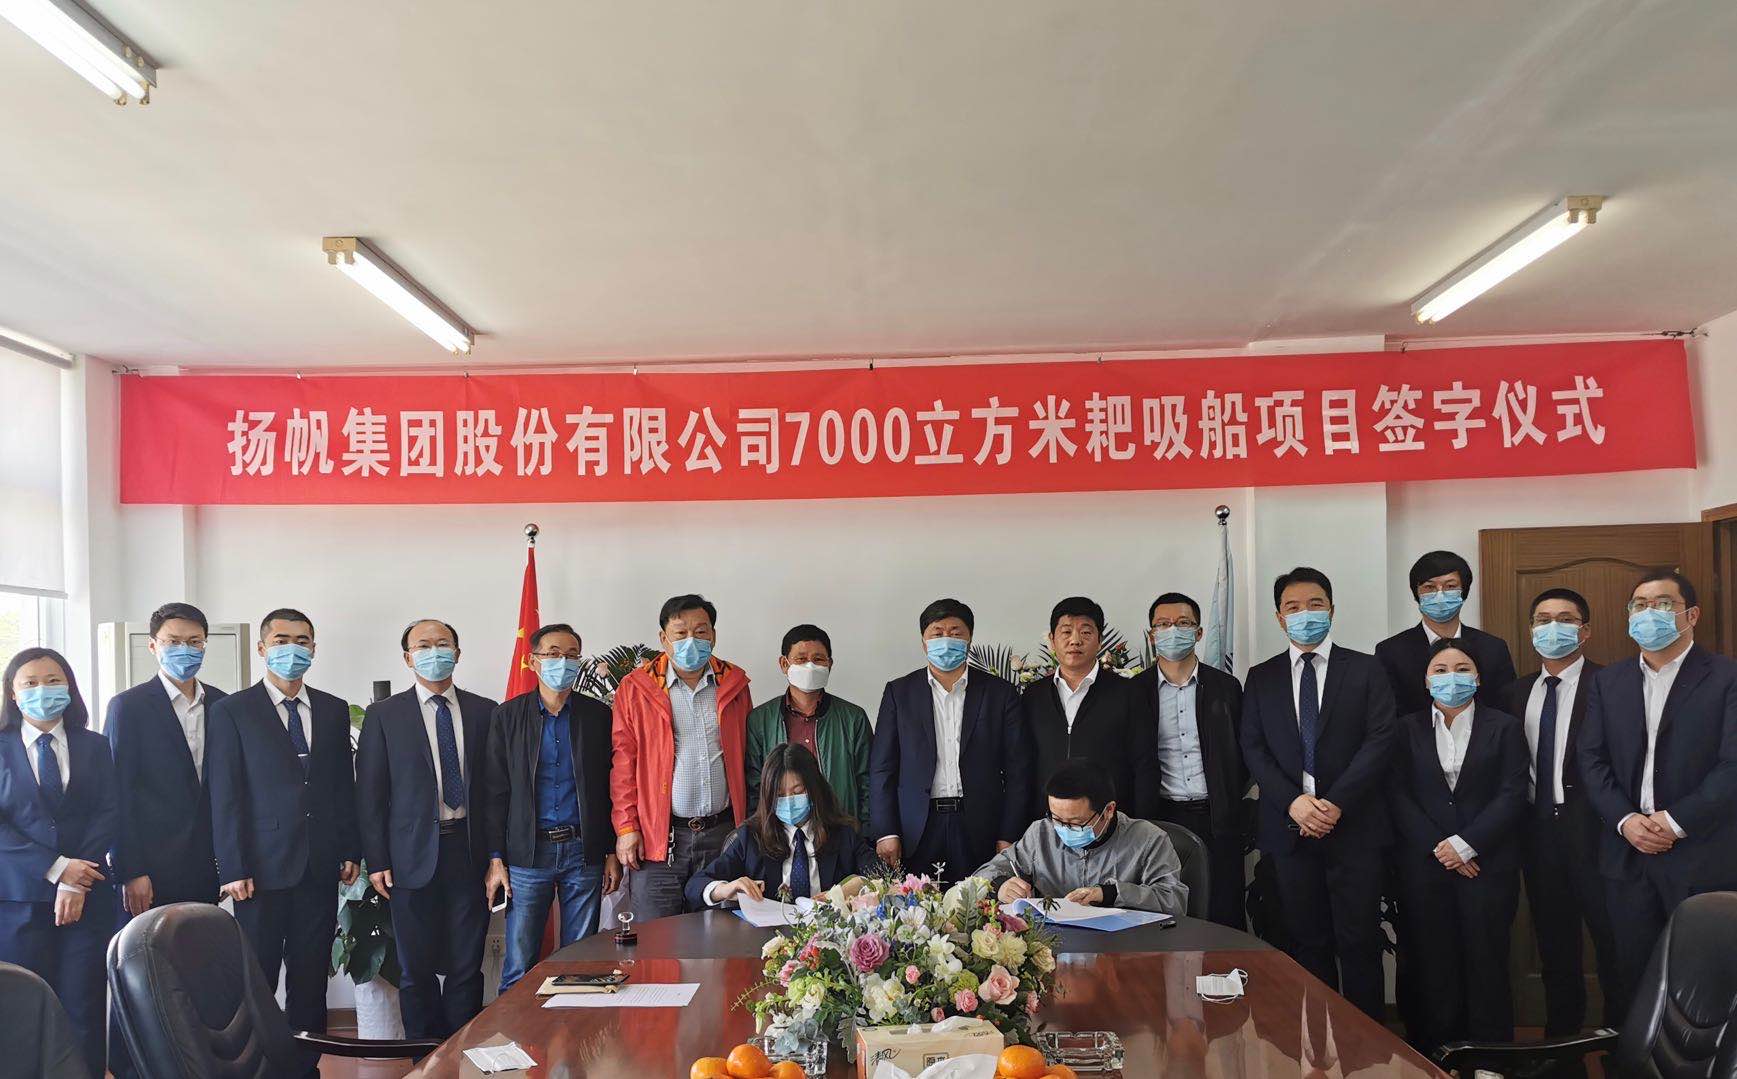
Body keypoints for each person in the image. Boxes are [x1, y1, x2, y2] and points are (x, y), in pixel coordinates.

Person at [1240, 567, 1395, 1019]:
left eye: (1314, 604)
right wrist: (1294, 802)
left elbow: (1380, 739)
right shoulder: (1262, 676)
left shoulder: (1366, 669)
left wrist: (1335, 803)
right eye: (1293, 607)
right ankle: (1317, 1047)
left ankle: (1366, 1046)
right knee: (1307, 944)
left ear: (1331, 609)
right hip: (1289, 831)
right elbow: (1253, 746)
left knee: (1360, 943)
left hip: (1355, 827)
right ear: (1279, 617)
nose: (1304, 614)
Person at [1577, 570, 1737, 1006]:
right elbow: (1591, 759)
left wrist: (1674, 821)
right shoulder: (1608, 682)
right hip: (1627, 855)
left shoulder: (1726, 677)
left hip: (1702, 855)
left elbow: (1732, 766)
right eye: (1639, 605)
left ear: (1692, 615)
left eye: (1663, 604)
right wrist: (1626, 820)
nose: (1649, 613)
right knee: (1633, 978)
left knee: (1704, 982)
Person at [206, 608, 360, 1050]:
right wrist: (232, 867)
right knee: (256, 979)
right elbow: (225, 793)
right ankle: (255, 1065)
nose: (292, 649)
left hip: (319, 865)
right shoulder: (232, 710)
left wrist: (350, 847)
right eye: (281, 641)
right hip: (259, 871)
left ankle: (306, 1065)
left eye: (302, 641)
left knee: (310, 979)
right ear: (262, 648)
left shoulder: (332, 709)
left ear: (313, 648)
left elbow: (341, 786)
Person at [104, 602, 230, 1077]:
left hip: (205, 865)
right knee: (139, 974)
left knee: (196, 970)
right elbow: (118, 794)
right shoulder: (129, 706)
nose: (185, 650)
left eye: (194, 642)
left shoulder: (223, 704)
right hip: (149, 869)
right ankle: (130, 1069)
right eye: (174, 641)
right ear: (153, 646)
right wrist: (130, 869)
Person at [356, 619, 499, 1036]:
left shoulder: (484, 711)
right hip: (409, 856)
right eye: (423, 645)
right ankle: (422, 1056)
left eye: (442, 644)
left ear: (457, 653)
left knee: (466, 965)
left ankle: (458, 1052)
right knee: (415, 969)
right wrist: (377, 859)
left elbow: (494, 791)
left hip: (468, 851)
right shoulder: (384, 715)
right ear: (408, 657)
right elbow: (370, 793)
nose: (434, 652)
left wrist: (496, 856)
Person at [1389, 639, 1528, 1047]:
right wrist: (1443, 848)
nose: (1452, 677)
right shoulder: (1405, 729)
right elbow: (1397, 794)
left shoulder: (1505, 726)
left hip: (1487, 865)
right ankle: (1438, 1055)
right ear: (1426, 680)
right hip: (1426, 866)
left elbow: (1512, 792)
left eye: (1463, 668)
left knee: (1488, 961)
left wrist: (1466, 845)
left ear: (1479, 678)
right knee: (1434, 964)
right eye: (1441, 670)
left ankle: (1490, 1059)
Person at [1507, 587, 1622, 1036]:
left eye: (1565, 619)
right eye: (1543, 619)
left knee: (1613, 945)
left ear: (1585, 631)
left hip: (1599, 834)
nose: (1552, 627)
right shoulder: (1515, 692)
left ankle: (1621, 1047)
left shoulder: (1612, 685)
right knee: (1555, 948)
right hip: (1538, 834)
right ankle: (1561, 1048)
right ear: (1531, 630)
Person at [482, 623, 620, 992]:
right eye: (554, 654)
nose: (564, 662)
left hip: (583, 851)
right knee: (519, 963)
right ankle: (513, 1027)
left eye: (572, 655)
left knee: (581, 963)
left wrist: (609, 850)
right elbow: (495, 792)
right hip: (528, 853)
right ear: (533, 661)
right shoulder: (507, 716)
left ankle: (574, 1026)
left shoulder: (598, 716)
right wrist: (496, 858)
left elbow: (609, 786)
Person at [0, 648, 117, 1077]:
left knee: (84, 1006)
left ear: (69, 686)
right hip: (18, 902)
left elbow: (109, 812)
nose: (42, 690)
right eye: (29, 683)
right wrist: (56, 868)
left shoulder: (95, 745)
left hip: (88, 898)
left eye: (53, 680)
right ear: (13, 694)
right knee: (20, 1009)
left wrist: (74, 879)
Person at [611, 595, 752, 922]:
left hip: (723, 835)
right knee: (656, 939)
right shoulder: (637, 688)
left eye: (701, 632)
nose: (692, 640)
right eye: (680, 633)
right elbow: (623, 765)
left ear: (713, 635)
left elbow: (748, 756)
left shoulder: (734, 684)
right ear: (664, 638)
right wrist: (626, 827)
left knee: (721, 935)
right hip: (660, 839)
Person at [869, 598, 1030, 884]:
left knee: (982, 904)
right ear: (924, 642)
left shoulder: (999, 693)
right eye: (937, 633)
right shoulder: (899, 693)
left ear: (969, 639)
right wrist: (886, 831)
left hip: (980, 825)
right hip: (917, 827)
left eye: (955, 633)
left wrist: (1009, 833)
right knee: (917, 907)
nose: (946, 640)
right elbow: (882, 768)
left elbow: (1019, 769)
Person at [1128, 591, 1249, 928]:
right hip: (1159, 819)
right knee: (1164, 914)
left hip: (1217, 816)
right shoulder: (1133, 692)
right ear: (1152, 635)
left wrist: (1228, 793)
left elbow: (1245, 751)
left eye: (1183, 623)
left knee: (1224, 913)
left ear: (1198, 632)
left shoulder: (1227, 687)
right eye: (1163, 625)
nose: (1173, 631)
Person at [975, 760, 1188, 918]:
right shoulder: (1041, 833)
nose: (1063, 829)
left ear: (1108, 810)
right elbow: (982, 875)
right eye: (1057, 818)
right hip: (1054, 948)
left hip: (1123, 951)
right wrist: (1001, 886)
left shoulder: (1149, 839)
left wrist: (1110, 894)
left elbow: (1174, 901)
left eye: (1076, 823)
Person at [686, 743, 875, 909]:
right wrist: (725, 888)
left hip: (826, 933)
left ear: (814, 789)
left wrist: (844, 892)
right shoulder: (750, 837)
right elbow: (695, 885)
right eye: (779, 795)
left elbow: (881, 876)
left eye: (798, 791)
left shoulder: (842, 833)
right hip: (766, 934)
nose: (789, 801)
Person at [1021, 597, 1152, 822]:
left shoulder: (1128, 693)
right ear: (1052, 640)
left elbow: (1144, 763)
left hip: (1109, 821)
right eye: (1066, 632)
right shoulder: (1033, 695)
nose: (1075, 641)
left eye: (1086, 632)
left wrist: (1141, 824)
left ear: (1100, 641)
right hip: (1048, 821)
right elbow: (1023, 764)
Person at [745, 625, 872, 829]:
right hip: (781, 832)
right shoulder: (760, 720)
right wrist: (760, 834)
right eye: (801, 659)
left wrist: (864, 834)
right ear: (784, 664)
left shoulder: (853, 718)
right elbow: (754, 786)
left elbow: (867, 783)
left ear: (830, 664)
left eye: (818, 659)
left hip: (840, 829)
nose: (810, 666)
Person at [1376, 550, 1517, 715]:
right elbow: (1387, 713)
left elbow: (1506, 707)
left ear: (1463, 592)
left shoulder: (1493, 648)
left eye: (1450, 586)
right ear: (1417, 594)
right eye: (1429, 587)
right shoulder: (1390, 651)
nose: (1440, 594)